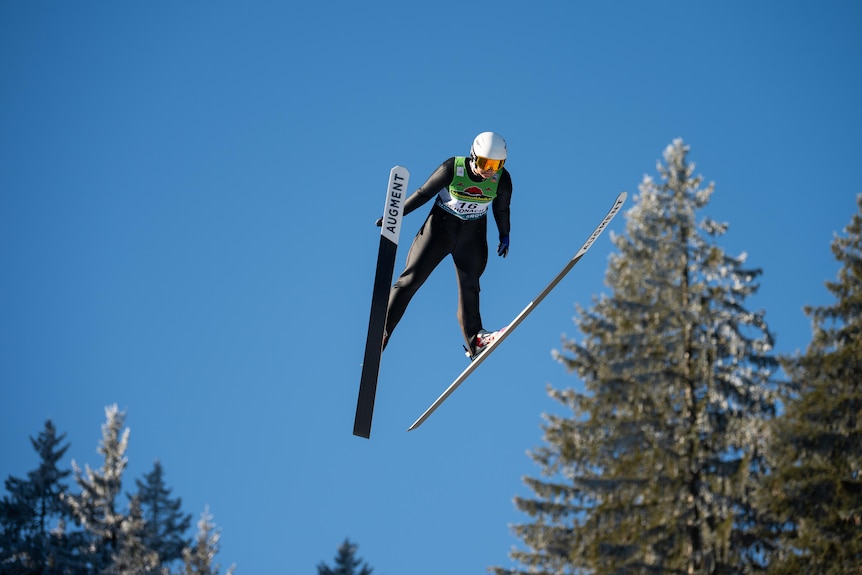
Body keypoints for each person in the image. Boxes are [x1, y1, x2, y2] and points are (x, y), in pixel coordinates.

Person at [378, 131, 513, 358]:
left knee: (471, 285)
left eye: (496, 164)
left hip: (473, 235)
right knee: (411, 279)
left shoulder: (503, 180)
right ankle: (383, 329)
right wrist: (397, 213)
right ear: (473, 156)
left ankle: (476, 340)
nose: (489, 170)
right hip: (440, 230)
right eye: (484, 163)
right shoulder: (453, 168)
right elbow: (423, 194)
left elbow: (501, 209)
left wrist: (504, 234)